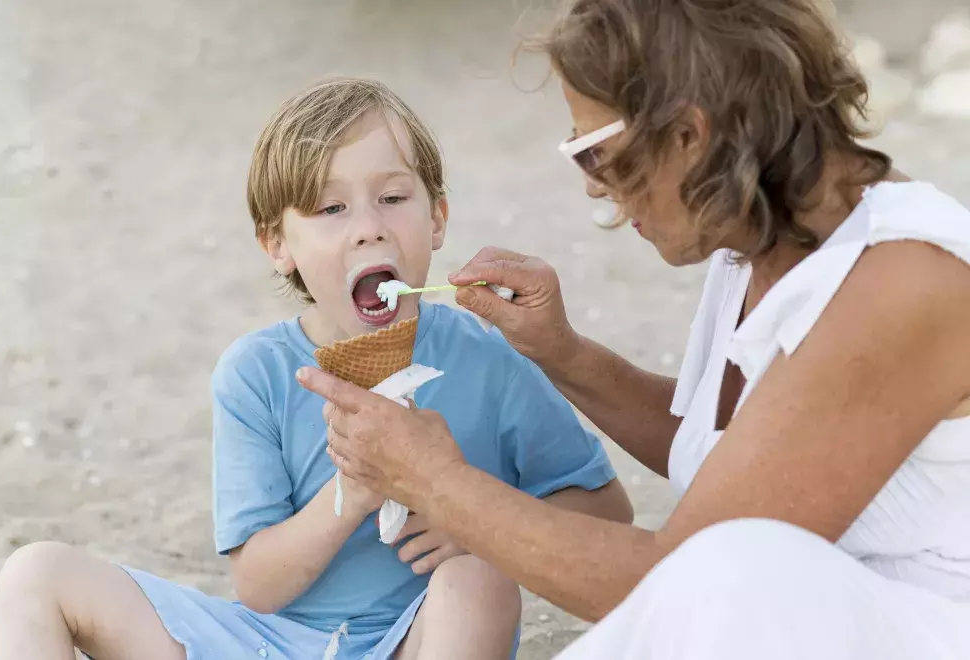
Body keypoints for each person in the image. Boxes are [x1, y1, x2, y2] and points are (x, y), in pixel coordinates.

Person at [296, 1, 970, 658]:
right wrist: (564, 354)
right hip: (805, 619)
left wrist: (435, 481)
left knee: (740, 559)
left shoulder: (900, 280)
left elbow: (690, 578)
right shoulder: (761, 244)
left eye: (594, 153)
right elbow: (742, 464)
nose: (592, 187)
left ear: (688, 135)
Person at [0, 78, 632, 660]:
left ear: (437, 218)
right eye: (331, 209)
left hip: (411, 638)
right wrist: (349, 494)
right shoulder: (256, 374)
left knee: (479, 579)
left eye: (392, 196)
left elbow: (607, 511)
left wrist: (482, 521)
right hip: (266, 644)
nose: (368, 230)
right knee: (34, 574)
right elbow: (259, 587)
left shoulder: (487, 355)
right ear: (278, 246)